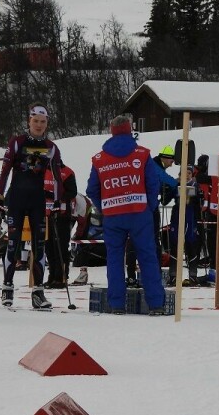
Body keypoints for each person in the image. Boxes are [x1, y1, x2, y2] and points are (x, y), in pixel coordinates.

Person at [86, 114, 166, 315]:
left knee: (114, 259)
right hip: (139, 213)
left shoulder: (99, 159)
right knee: (147, 257)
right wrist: (150, 206)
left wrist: (104, 207)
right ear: (130, 130)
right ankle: (156, 304)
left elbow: (92, 190)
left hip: (113, 215)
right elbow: (153, 183)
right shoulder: (142, 154)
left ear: (111, 131)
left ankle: (116, 305)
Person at [0, 102, 64, 309]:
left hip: (37, 202)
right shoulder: (17, 142)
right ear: (29, 121)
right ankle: (7, 288)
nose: (39, 125)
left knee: (38, 246)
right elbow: (5, 172)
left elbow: (58, 178)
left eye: (43, 122)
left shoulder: (51, 148)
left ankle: (38, 293)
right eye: (36, 121)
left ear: (47, 123)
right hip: (16, 199)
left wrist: (58, 203)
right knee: (14, 244)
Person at [126, 145, 178, 285]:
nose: (172, 163)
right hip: (147, 209)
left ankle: (132, 275)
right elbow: (166, 179)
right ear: (165, 158)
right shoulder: (153, 166)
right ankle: (154, 274)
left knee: (135, 240)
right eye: (171, 160)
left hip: (136, 207)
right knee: (153, 241)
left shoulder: (146, 167)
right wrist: (178, 183)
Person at [166, 165, 204, 286]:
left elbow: (200, 202)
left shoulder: (196, 185)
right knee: (175, 245)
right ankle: (173, 276)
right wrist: (169, 188)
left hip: (190, 217)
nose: (186, 175)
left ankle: (193, 275)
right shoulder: (175, 184)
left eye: (189, 173)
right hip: (177, 216)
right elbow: (165, 200)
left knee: (191, 245)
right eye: (184, 173)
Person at [44, 160, 77, 288]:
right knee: (49, 247)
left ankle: (61, 277)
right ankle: (52, 276)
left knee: (60, 246)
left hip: (62, 214)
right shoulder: (43, 171)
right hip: (46, 214)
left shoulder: (67, 172)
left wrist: (55, 196)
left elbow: (72, 192)